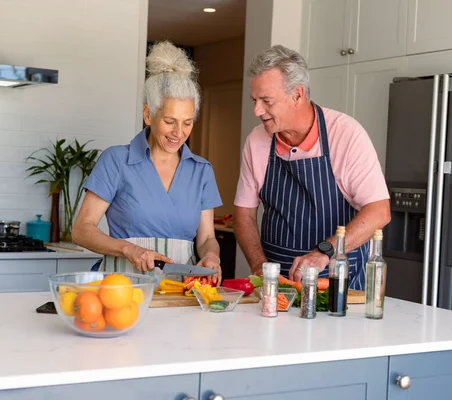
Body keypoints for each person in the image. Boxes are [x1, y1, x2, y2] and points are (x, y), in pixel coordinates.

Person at [233, 45, 391, 290]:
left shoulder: (346, 134)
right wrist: (259, 267)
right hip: (277, 288)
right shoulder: (257, 141)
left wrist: (324, 252)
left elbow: (379, 211)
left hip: (337, 283)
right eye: (255, 100)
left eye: (266, 101)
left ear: (297, 95)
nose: (257, 110)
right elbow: (244, 214)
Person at [72, 41, 223, 283]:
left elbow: (206, 239)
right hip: (122, 288)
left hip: (181, 291)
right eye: (170, 121)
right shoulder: (117, 160)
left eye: (187, 122)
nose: (179, 132)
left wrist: (212, 257)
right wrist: (129, 250)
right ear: (148, 115)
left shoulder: (202, 170)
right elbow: (81, 230)